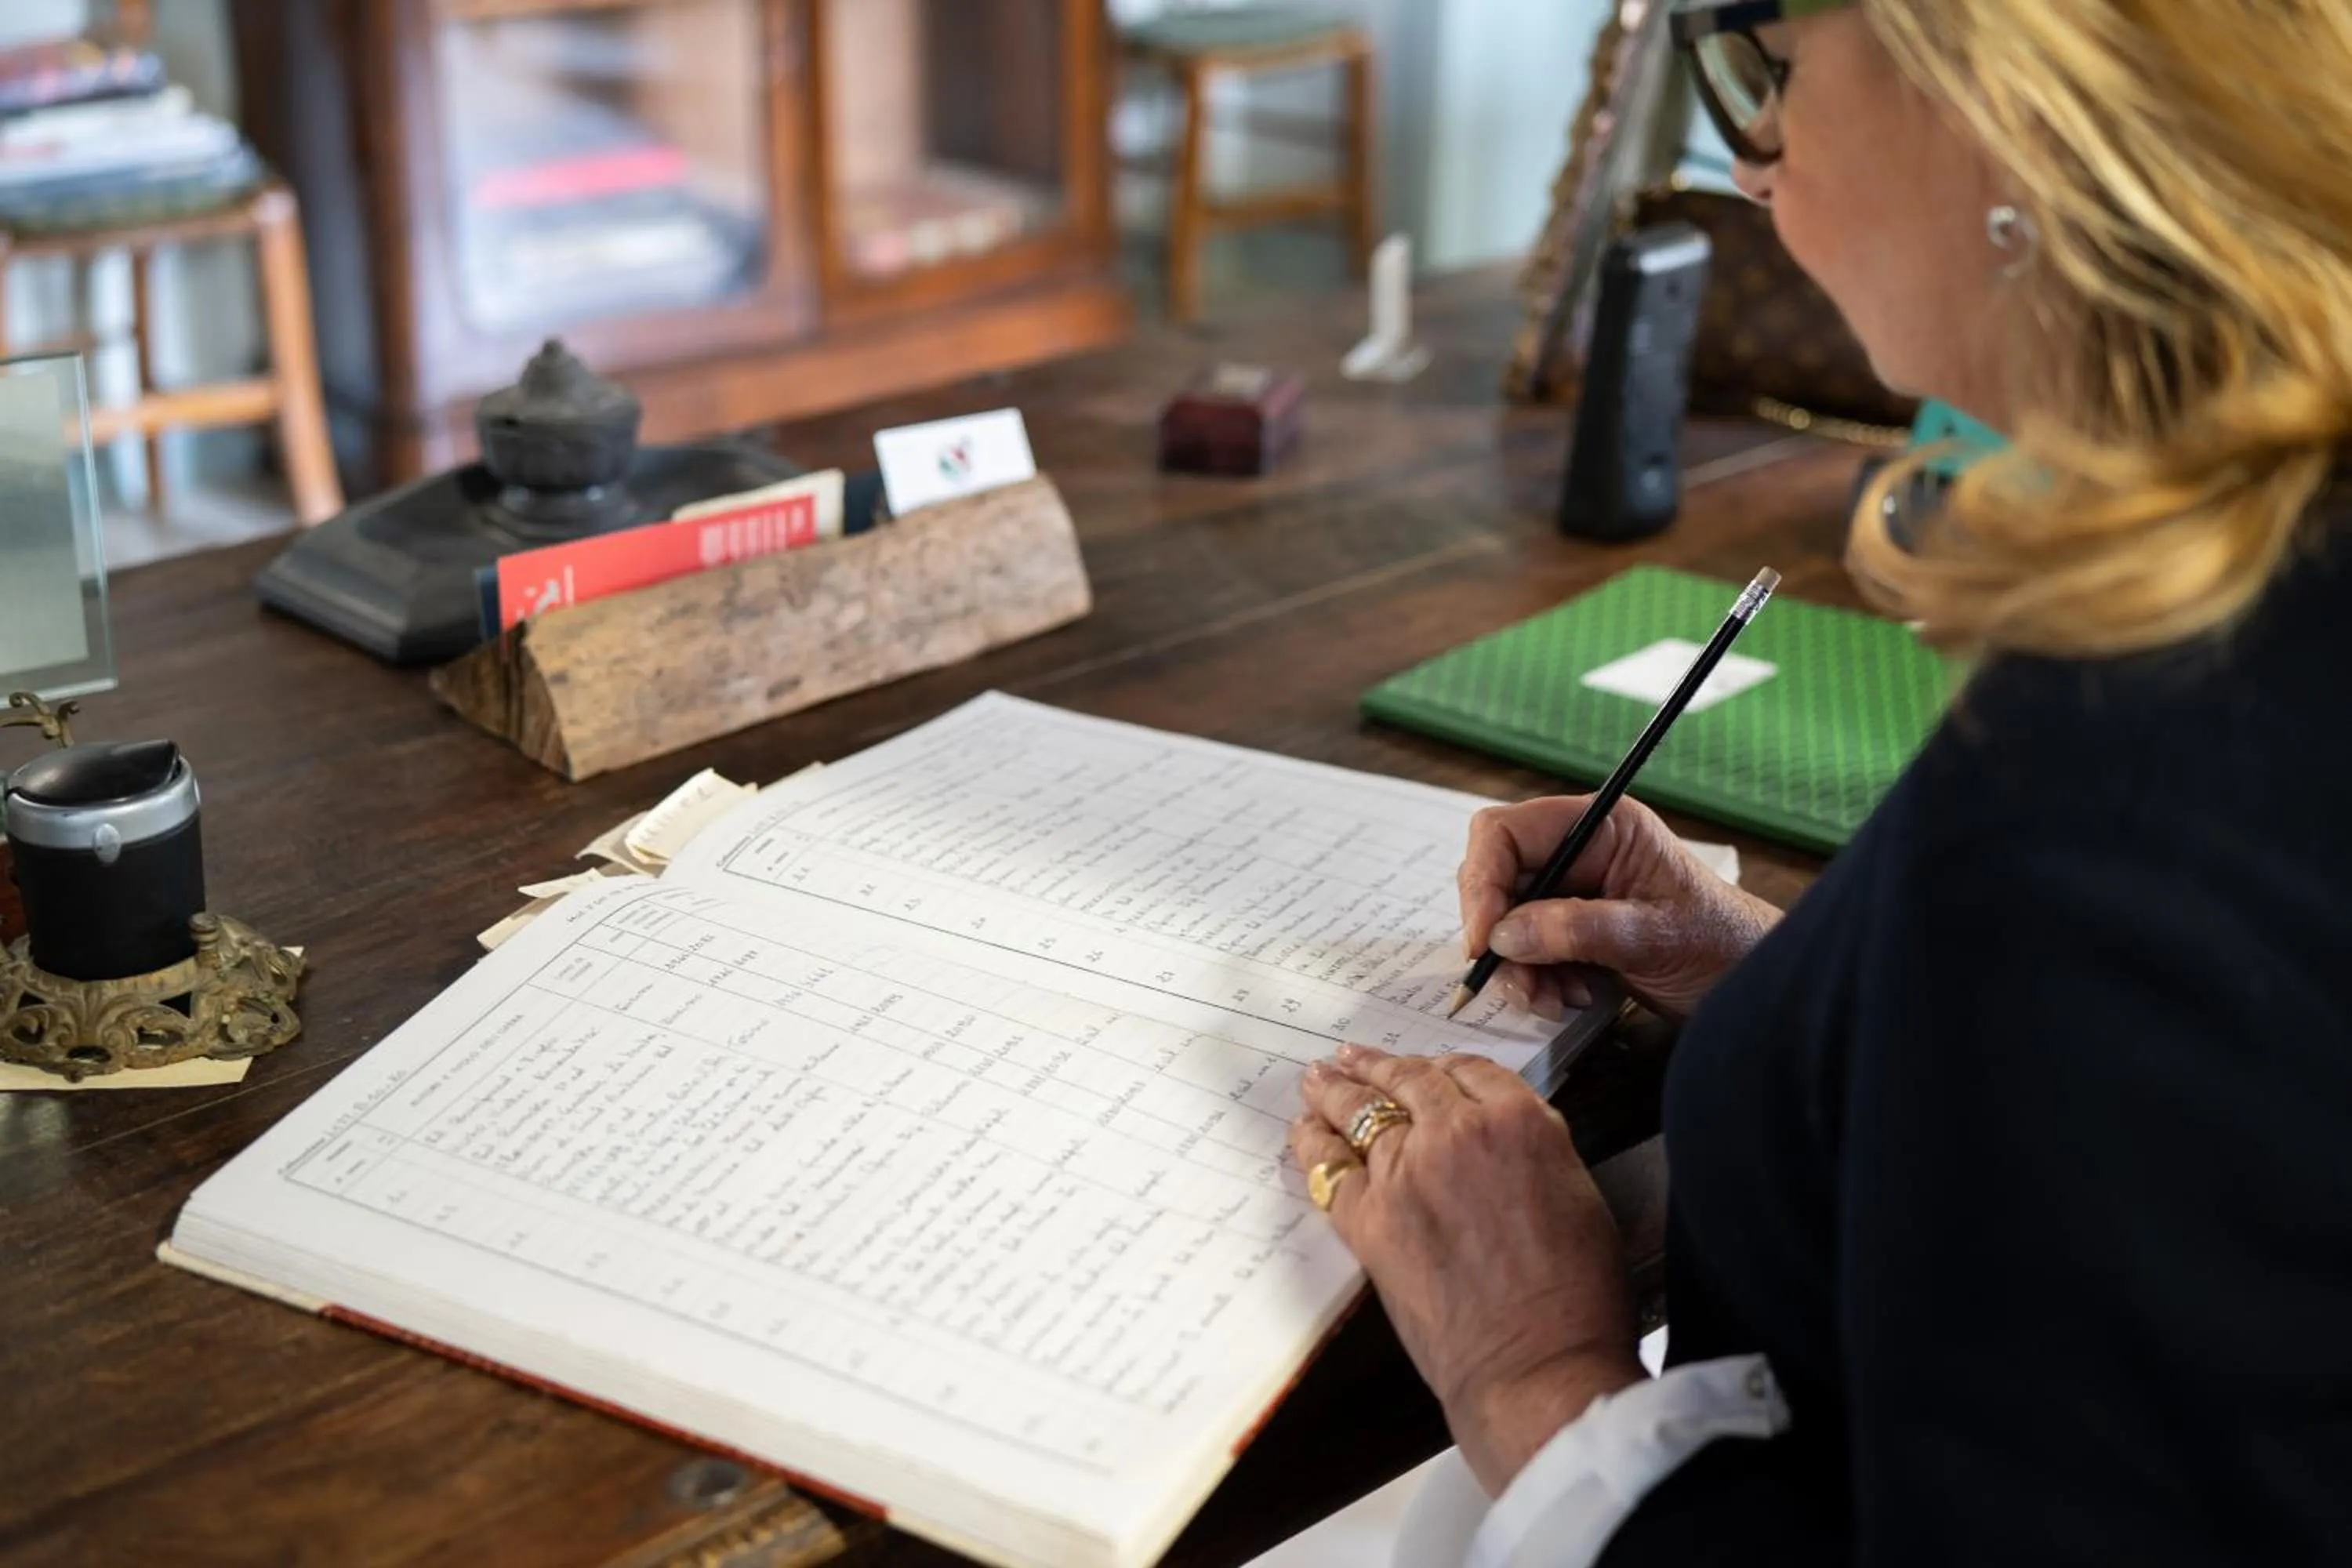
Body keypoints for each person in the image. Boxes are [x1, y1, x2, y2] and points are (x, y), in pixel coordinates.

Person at [1287, 0, 2352, 1561]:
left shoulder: (2127, 790)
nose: (1748, 156)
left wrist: (1533, 1368)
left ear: (2013, 96)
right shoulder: (2260, 584)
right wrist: (1808, 980)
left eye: (1770, 70)